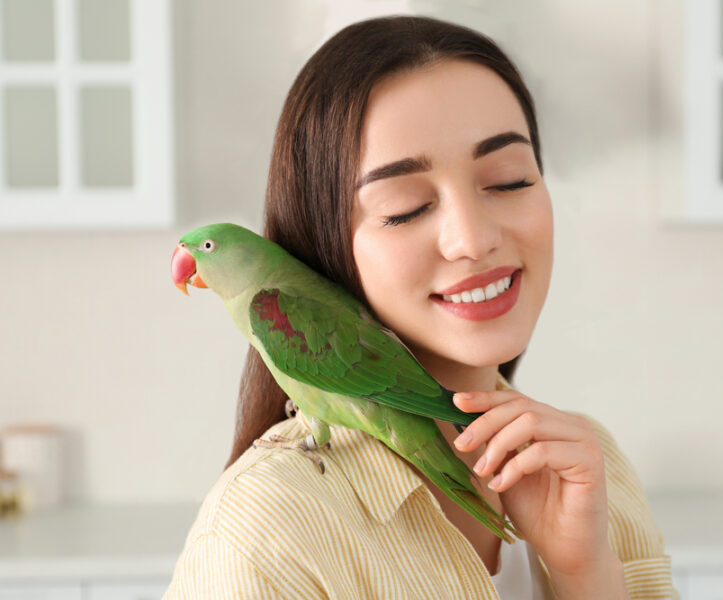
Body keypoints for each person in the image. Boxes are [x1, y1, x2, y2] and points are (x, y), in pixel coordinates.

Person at [164, 15, 679, 599]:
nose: (472, 239)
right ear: (325, 238)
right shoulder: (262, 536)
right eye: (405, 207)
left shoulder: (589, 461)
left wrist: (585, 574)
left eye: (509, 180)